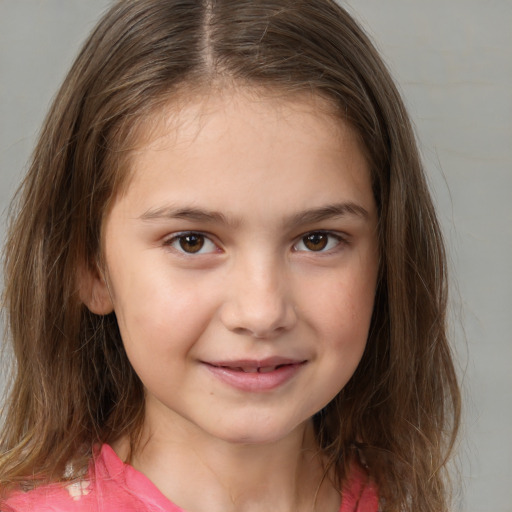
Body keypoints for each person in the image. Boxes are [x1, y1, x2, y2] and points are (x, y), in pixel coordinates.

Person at [0, 1, 461, 511]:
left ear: (387, 258)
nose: (261, 312)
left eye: (316, 240)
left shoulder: (399, 498)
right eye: (191, 241)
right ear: (90, 266)